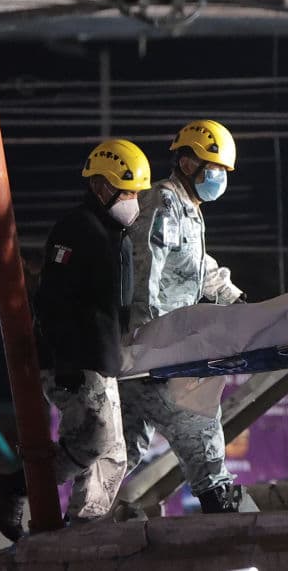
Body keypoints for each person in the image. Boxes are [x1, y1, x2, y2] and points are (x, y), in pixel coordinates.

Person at [0, 139, 151, 540]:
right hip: (74, 362)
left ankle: (86, 528)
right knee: (94, 441)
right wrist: (67, 363)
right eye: (126, 191)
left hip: (102, 361)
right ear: (99, 187)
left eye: (135, 193)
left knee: (113, 454)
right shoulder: (77, 229)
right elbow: (53, 299)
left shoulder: (118, 238)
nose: (133, 200)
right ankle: (13, 487)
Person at [119, 119, 246, 514]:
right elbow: (145, 273)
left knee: (120, 448)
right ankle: (217, 501)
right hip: (154, 348)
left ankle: (72, 516)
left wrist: (236, 300)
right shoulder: (163, 203)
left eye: (224, 171)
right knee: (197, 418)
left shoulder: (190, 210)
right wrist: (150, 343)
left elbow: (197, 267)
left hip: (160, 348)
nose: (219, 177)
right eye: (214, 168)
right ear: (187, 161)